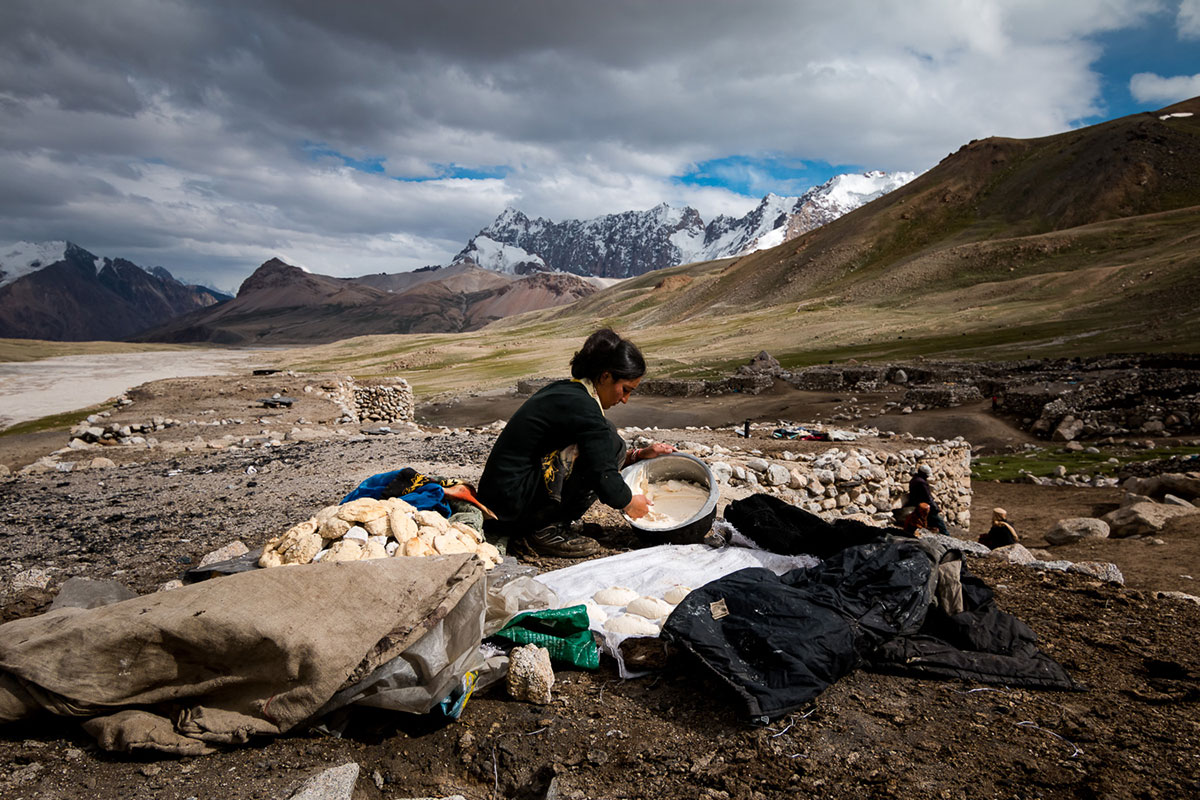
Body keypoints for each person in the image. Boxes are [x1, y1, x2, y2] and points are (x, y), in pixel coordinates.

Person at [477, 329, 674, 558]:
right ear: (605, 376)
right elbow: (602, 470)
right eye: (626, 390)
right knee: (610, 442)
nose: (624, 399)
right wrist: (629, 502)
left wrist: (637, 456)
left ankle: (544, 523)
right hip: (509, 507)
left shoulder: (569, 392)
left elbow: (595, 451)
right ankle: (542, 530)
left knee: (610, 439)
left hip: (502, 498)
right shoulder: (582, 407)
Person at [907, 464, 950, 535]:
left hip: (916, 502)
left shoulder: (914, 479)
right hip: (923, 504)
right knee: (939, 521)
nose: (927, 477)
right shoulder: (921, 483)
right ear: (923, 474)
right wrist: (936, 508)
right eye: (926, 475)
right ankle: (947, 536)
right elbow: (927, 497)